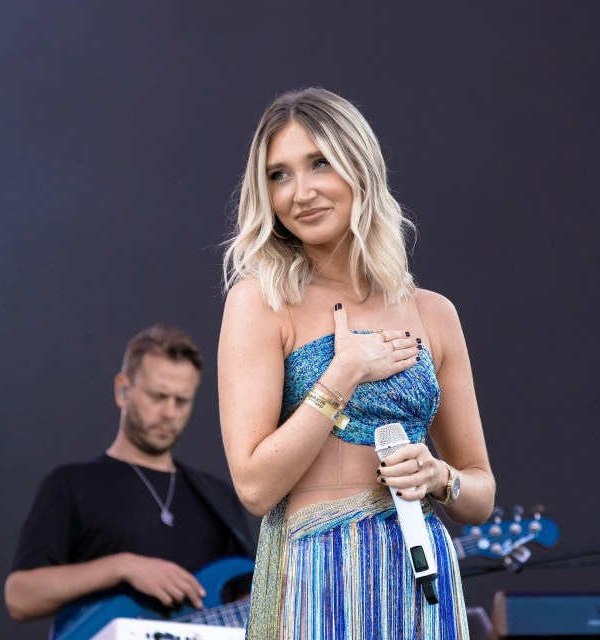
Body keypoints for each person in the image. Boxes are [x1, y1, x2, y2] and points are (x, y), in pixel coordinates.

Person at [218, 87, 495, 639]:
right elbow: (253, 487)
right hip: (319, 577)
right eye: (279, 174)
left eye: (319, 163)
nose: (301, 192)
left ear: (360, 166)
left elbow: (480, 491)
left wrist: (438, 477)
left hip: (421, 579)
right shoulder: (260, 301)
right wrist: (341, 375)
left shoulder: (433, 313)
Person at [5, 324, 253, 635]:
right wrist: (122, 567)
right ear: (123, 391)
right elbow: (20, 597)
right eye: (158, 396)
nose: (169, 412)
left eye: (182, 400)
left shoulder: (218, 497)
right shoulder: (70, 484)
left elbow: (249, 603)